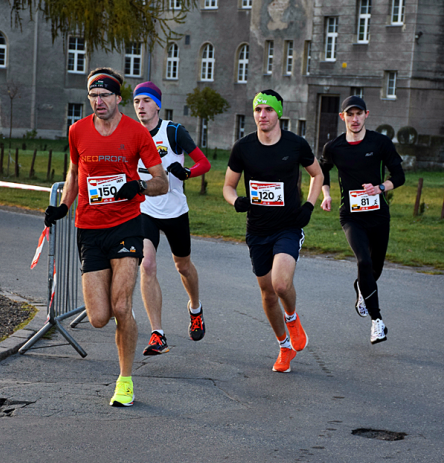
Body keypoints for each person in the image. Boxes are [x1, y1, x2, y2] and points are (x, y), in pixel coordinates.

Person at [44, 68, 168, 407]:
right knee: (99, 317)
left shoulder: (136, 133)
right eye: (93, 96)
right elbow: (74, 173)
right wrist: (62, 206)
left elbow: (162, 181)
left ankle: (125, 381)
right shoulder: (77, 131)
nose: (98, 101)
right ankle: (120, 314)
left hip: (126, 226)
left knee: (121, 305)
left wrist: (138, 185)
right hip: (89, 228)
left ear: (117, 98)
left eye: (104, 95)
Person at [223, 89, 324, 373]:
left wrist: (309, 206)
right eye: (257, 110)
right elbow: (228, 186)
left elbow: (317, 174)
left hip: (288, 226)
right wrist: (236, 201)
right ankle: (284, 347)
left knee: (280, 284)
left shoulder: (295, 144)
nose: (262, 115)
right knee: (267, 293)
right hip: (257, 229)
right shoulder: (243, 147)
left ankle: (292, 319)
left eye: (268, 110)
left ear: (278, 112)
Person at [132, 82, 212, 355]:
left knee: (183, 267)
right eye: (136, 102)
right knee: (148, 265)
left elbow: (204, 163)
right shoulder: (130, 134)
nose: (140, 106)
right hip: (145, 209)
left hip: (175, 210)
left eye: (145, 101)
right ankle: (158, 333)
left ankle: (195, 308)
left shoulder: (173, 131)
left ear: (157, 104)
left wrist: (187, 172)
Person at [319, 95, 405, 344]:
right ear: (342, 117)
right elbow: (323, 170)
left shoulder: (380, 143)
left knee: (374, 269)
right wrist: (326, 195)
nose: (354, 119)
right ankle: (377, 321)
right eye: (350, 114)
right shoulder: (333, 147)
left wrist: (381, 187)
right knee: (364, 261)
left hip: (378, 216)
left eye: (359, 114)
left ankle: (361, 288)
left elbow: (399, 176)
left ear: (367, 115)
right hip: (351, 216)